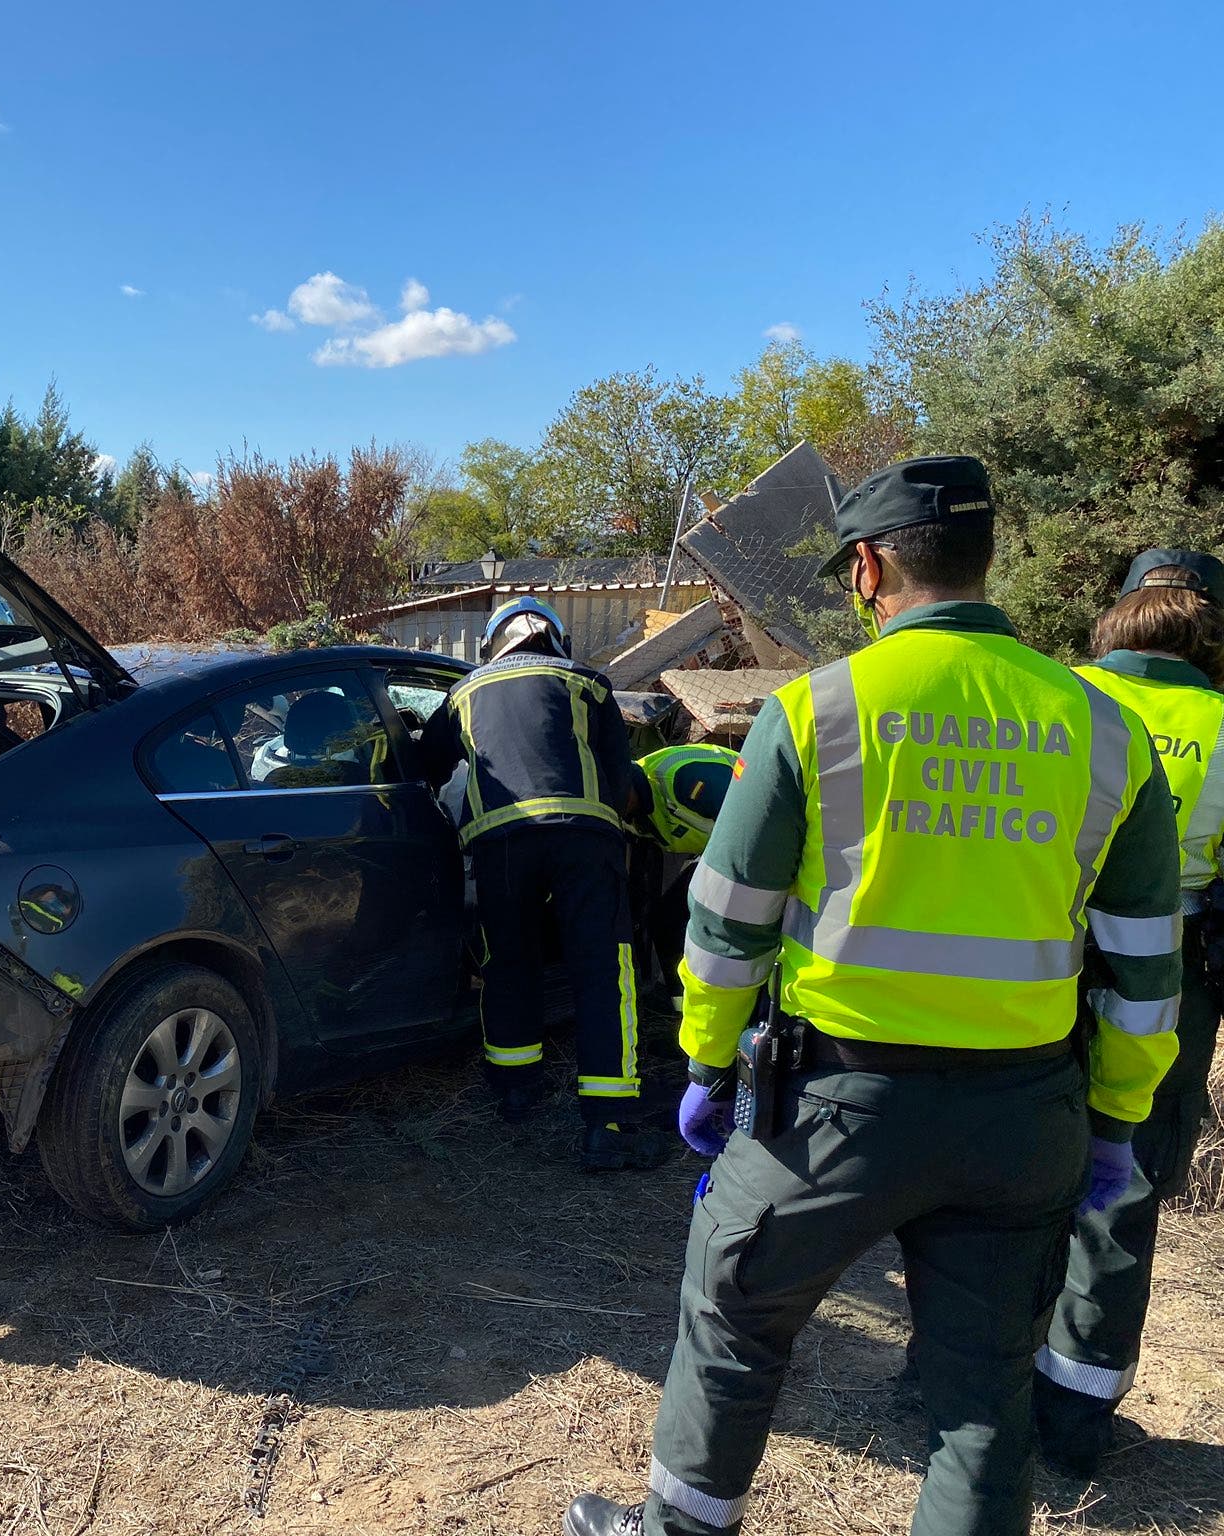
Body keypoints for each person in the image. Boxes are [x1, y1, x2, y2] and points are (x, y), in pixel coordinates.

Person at [563, 456, 1184, 1536]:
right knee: (981, 1391)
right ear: (984, 560)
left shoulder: (816, 710)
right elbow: (1144, 964)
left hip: (830, 1110)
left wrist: (707, 1062)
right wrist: (1116, 1119)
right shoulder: (1102, 728)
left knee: (734, 1317)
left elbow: (727, 925)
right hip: (1022, 1115)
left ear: (866, 570)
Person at [1035, 548, 1224, 1477]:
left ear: (1117, 614)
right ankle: (1074, 1415)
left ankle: (959, 1374)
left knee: (1006, 1170)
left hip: (1037, 962)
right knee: (1125, 1182)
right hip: (1171, 972)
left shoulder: (1052, 699)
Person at [417, 596, 669, 1171]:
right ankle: (607, 1124)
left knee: (508, 962)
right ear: (557, 639)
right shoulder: (588, 684)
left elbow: (426, 766)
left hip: (499, 843)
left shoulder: (464, 692)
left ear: (494, 644)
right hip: (584, 840)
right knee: (603, 970)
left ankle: (514, 1090)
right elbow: (619, 780)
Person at [624, 745, 742, 1014]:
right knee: (665, 921)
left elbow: (753, 818)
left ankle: (733, 1010)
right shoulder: (627, 812)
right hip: (716, 854)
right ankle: (682, 1010)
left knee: (713, 923)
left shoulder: (681, 778)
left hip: (755, 852)